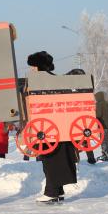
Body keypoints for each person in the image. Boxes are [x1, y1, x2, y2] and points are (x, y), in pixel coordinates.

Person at [27, 51, 78, 204]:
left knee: (52, 161)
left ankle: (52, 192)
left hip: (52, 129)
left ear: (39, 67)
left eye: (33, 67)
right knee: (55, 160)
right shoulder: (54, 80)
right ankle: (58, 190)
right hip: (56, 127)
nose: (31, 70)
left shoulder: (43, 81)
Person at [66, 68, 96, 165]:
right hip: (83, 117)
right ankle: (91, 158)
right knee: (85, 139)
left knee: (73, 139)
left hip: (76, 117)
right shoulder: (86, 89)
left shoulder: (75, 91)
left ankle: (76, 159)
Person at [95, 91, 108, 162]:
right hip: (107, 125)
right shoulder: (107, 103)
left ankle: (105, 156)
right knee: (105, 140)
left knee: (103, 140)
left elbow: (98, 115)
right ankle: (105, 154)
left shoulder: (99, 104)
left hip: (102, 125)